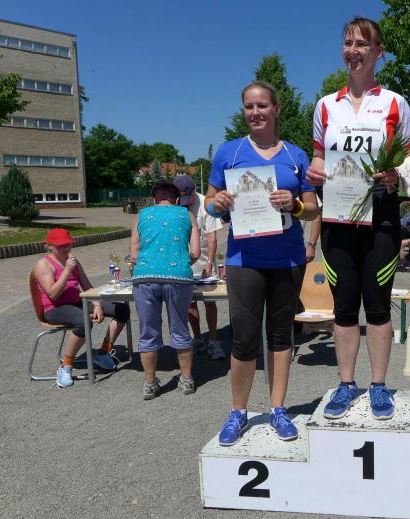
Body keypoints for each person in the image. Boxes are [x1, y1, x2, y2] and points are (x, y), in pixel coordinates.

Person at [305, 17, 410, 420]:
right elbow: (319, 157)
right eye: (347, 43)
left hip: (381, 216)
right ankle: (345, 384)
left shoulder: (395, 103)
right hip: (337, 219)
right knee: (342, 307)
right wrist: (315, 172)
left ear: (378, 51)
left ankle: (378, 385)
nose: (352, 51)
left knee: (377, 305)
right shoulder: (325, 105)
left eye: (361, 44)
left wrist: (398, 176)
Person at [204, 81, 319, 444]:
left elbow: (313, 208)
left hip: (287, 258)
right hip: (244, 258)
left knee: (281, 335)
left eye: (262, 106)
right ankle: (238, 412)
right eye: (249, 107)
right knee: (244, 337)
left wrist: (294, 204)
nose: (255, 113)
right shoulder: (230, 152)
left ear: (276, 109)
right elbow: (208, 202)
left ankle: (278, 409)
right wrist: (217, 204)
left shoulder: (295, 156)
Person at [34, 228, 131, 388]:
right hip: (55, 308)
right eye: (60, 246)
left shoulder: (73, 261)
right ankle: (66, 366)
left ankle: (103, 352)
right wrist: (67, 270)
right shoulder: (43, 264)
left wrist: (97, 305)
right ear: (49, 246)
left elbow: (87, 287)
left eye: (68, 245)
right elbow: (53, 294)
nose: (66, 249)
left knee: (122, 310)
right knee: (83, 321)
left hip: (78, 302)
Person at [129, 182, 200, 400]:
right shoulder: (187, 215)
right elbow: (196, 252)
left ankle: (150, 383)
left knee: (148, 331)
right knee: (180, 328)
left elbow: (133, 255)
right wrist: (179, 261)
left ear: (154, 199)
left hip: (145, 277)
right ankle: (186, 380)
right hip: (178, 277)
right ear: (177, 200)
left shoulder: (141, 216)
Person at [173, 175, 226, 360]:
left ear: (195, 191)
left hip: (203, 261)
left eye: (188, 198)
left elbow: (212, 238)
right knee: (190, 303)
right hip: (184, 263)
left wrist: (210, 262)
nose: (185, 203)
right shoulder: (175, 205)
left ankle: (213, 340)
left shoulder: (205, 205)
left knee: (209, 302)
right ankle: (197, 339)